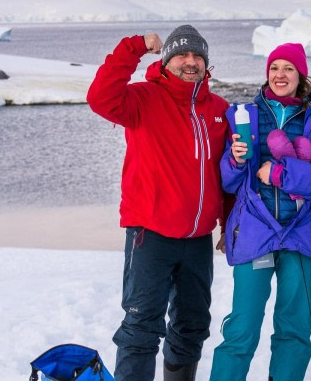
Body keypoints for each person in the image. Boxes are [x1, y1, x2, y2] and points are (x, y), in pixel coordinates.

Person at [87, 25, 229, 381]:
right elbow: (100, 97)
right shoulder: (142, 99)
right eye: (182, 55)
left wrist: (228, 225)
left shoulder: (218, 110)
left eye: (198, 56)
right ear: (167, 61)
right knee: (141, 326)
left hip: (197, 240)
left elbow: (226, 176)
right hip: (149, 235)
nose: (190, 62)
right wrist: (134, 47)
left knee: (193, 325)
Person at [210, 43, 311, 381]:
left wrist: (281, 175)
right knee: (241, 328)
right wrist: (236, 160)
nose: (280, 75)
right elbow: (228, 182)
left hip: (301, 235)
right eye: (274, 68)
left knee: (295, 328)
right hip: (256, 232)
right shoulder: (247, 117)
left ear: (301, 76)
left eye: (288, 68)